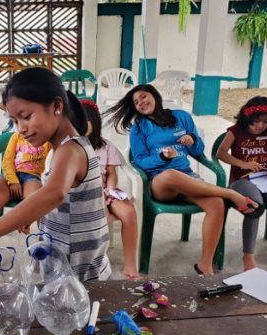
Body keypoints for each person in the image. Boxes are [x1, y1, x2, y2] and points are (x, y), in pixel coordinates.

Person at [0, 67, 111, 282]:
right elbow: (59, 200)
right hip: (66, 260)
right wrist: (31, 213)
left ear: (56, 106)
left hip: (78, 272)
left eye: (26, 116)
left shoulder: (70, 150)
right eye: (15, 121)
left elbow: (53, 193)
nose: (20, 128)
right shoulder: (61, 148)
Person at [103, 84, 258, 275]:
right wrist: (162, 158)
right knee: (170, 175)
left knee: (216, 203)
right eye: (136, 102)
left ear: (154, 95)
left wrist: (193, 139)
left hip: (188, 179)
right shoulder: (140, 127)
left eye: (143, 97)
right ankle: (230, 193)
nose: (141, 103)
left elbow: (199, 151)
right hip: (161, 183)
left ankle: (205, 266)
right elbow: (140, 161)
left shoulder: (181, 117)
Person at [216, 96, 267, 270]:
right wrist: (243, 164)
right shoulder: (235, 131)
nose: (260, 126)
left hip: (265, 178)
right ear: (247, 118)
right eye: (256, 121)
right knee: (255, 206)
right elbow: (221, 153)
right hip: (241, 180)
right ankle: (248, 256)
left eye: (265, 122)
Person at [80, 99, 140, 280]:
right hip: (84, 194)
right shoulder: (70, 146)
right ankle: (93, 262)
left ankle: (130, 264)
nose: (80, 125)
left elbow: (112, 173)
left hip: (106, 190)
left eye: (84, 121)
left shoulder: (105, 146)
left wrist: (110, 189)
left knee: (129, 212)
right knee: (100, 217)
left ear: (94, 122)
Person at [0, 131, 51, 231]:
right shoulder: (16, 136)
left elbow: (52, 162)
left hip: (32, 176)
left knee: (38, 200)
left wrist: (27, 216)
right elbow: (7, 160)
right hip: (9, 175)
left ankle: (43, 240)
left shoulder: (47, 139)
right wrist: (13, 181)